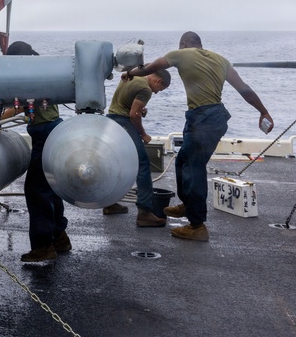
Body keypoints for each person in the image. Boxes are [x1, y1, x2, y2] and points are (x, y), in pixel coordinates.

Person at [122, 32, 274, 242]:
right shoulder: (221, 60)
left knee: (194, 168)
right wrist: (263, 111)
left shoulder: (181, 54)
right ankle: (188, 204)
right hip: (214, 117)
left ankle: (197, 225)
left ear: (183, 43)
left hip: (203, 119)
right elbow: (244, 89)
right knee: (183, 160)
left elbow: (150, 68)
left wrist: (130, 72)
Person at [2, 40, 71, 263]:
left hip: (45, 134)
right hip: (55, 130)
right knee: (51, 188)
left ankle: (43, 246)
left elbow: (20, 107)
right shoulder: (41, 72)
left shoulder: (29, 77)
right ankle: (60, 237)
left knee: (36, 192)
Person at [104, 69, 172, 227]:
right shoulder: (146, 89)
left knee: (116, 163)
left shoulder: (134, 75)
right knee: (142, 164)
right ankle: (144, 212)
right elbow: (134, 115)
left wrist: (139, 109)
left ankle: (109, 203)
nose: (156, 93)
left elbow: (127, 102)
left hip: (111, 121)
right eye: (160, 90)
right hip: (123, 122)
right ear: (158, 81)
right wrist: (143, 134)